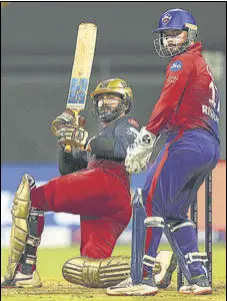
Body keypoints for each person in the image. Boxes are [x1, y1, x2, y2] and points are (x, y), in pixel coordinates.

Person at [1, 78, 176, 289]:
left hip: (107, 185)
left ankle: (25, 271)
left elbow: (123, 151)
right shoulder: (99, 136)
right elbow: (69, 170)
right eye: (101, 99)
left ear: (125, 103)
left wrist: (84, 140)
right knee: (90, 269)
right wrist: (66, 144)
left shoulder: (128, 125)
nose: (105, 103)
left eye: (112, 98)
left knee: (32, 198)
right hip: (105, 202)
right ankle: (155, 264)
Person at [106, 8, 220, 296]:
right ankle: (198, 277)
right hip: (209, 148)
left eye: (175, 34)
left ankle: (141, 278)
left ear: (190, 34)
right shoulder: (202, 66)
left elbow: (167, 103)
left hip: (185, 141)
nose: (170, 41)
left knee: (146, 201)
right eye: (166, 36)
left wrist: (147, 138)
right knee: (174, 212)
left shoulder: (182, 63)